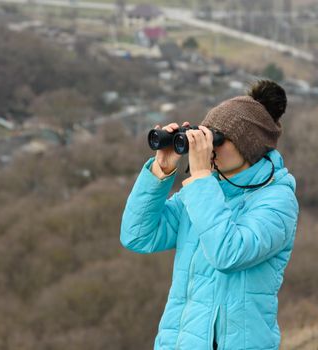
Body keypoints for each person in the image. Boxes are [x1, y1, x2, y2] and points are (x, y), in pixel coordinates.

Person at [120, 79, 300, 350]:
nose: (208, 147)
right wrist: (161, 171)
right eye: (204, 136)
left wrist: (202, 178)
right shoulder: (202, 191)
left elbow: (228, 254)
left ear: (248, 145)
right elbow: (137, 236)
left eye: (217, 139)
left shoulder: (277, 201)